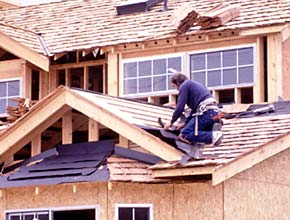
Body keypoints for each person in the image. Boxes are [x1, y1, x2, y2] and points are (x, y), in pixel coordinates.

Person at [164, 73, 223, 146]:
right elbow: (194, 111)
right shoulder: (193, 86)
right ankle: (211, 131)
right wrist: (185, 123)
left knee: (185, 134)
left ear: (178, 82)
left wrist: (171, 122)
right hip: (214, 112)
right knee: (197, 135)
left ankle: (213, 135)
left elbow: (180, 107)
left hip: (206, 112)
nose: (177, 89)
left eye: (174, 86)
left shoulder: (184, 85)